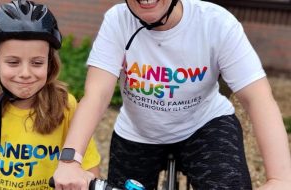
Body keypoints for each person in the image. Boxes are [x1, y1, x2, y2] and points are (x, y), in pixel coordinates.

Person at [53, 0, 291, 189]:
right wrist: (70, 161)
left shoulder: (216, 23)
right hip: (138, 132)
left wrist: (281, 179)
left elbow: (258, 97)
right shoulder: (118, 20)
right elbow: (97, 94)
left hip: (204, 126)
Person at [0, 0, 101, 189]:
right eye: (13, 62)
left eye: (37, 63)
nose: (25, 73)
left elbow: (88, 164)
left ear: (50, 64)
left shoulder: (65, 105)